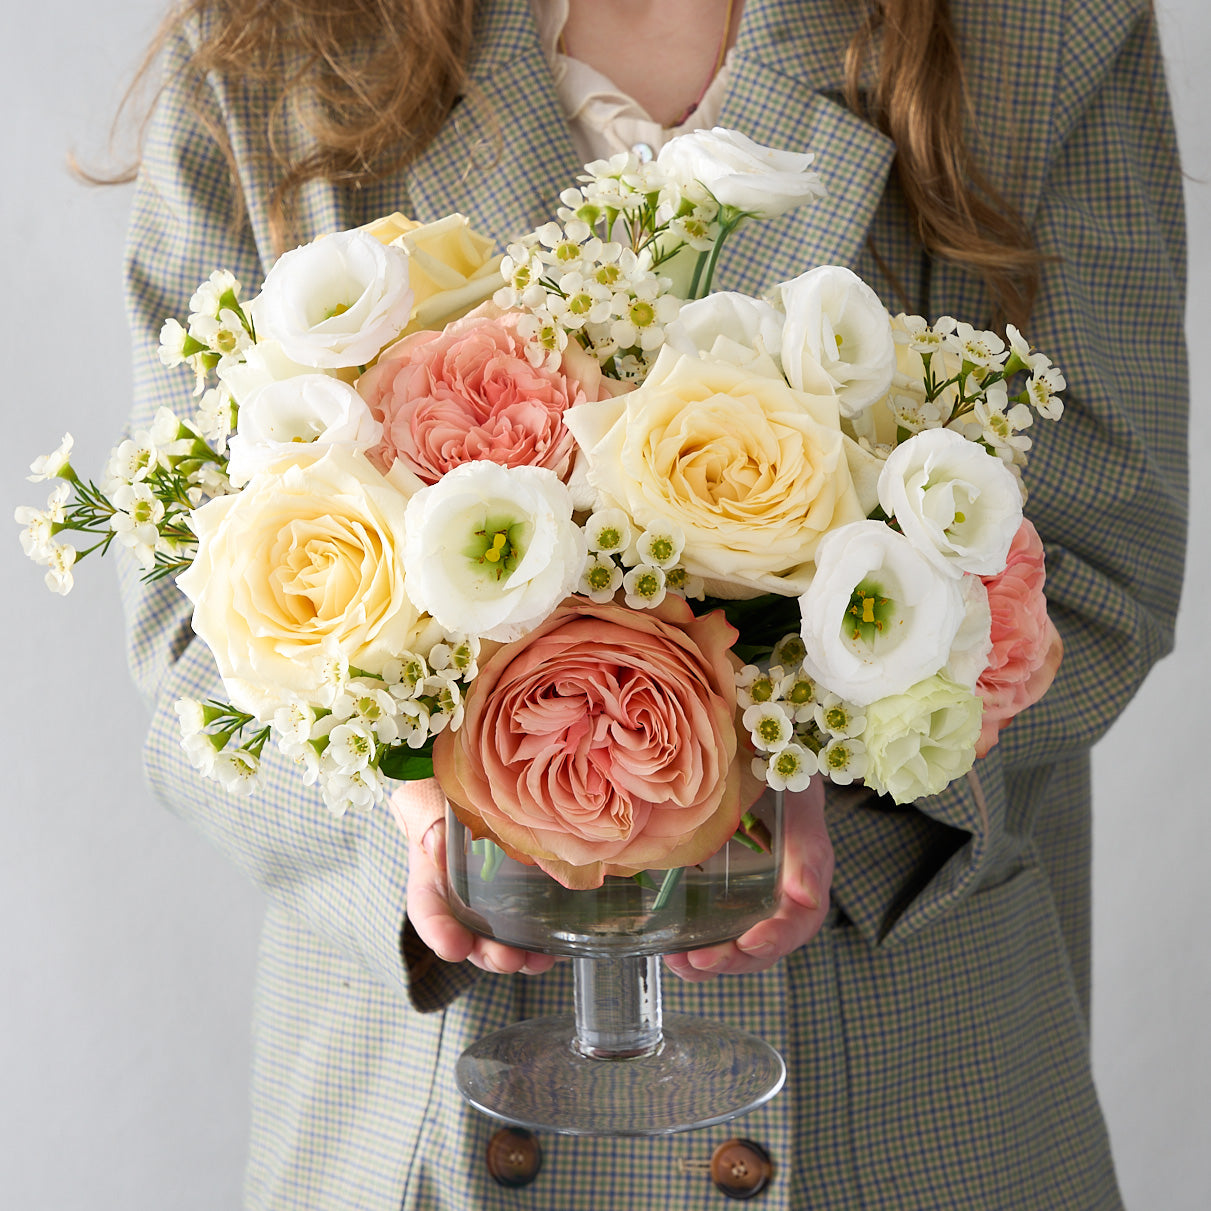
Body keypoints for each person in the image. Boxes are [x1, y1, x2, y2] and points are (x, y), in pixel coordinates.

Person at [118, 0, 1188, 1207]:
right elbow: (187, 633)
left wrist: (815, 765)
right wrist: (427, 811)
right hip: (414, 1127)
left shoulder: (1035, 33)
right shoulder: (281, 37)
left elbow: (1098, 567)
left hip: (893, 1118)